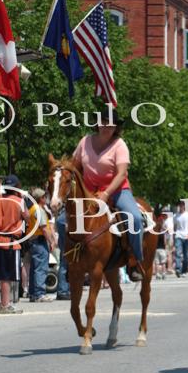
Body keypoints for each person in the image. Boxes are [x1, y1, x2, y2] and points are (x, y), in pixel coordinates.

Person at [72, 107, 145, 281]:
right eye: (104, 122)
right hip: (89, 193)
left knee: (134, 218)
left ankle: (134, 260)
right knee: (62, 221)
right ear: (97, 123)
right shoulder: (85, 141)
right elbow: (74, 167)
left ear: (116, 127)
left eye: (111, 124)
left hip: (117, 191)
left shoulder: (119, 145)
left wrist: (106, 194)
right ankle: (71, 260)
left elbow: (121, 174)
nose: (107, 126)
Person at [0, 175, 26, 314]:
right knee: (6, 276)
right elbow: (27, 217)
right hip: (11, 242)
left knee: (2, 275)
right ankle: (5, 305)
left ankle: (5, 303)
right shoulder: (19, 201)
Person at [27, 188, 57, 302]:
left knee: (34, 268)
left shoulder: (33, 209)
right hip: (39, 241)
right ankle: (39, 294)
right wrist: (51, 241)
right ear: (41, 198)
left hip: (34, 241)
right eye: (45, 197)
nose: (46, 198)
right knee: (41, 268)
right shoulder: (38, 210)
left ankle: (33, 294)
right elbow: (44, 229)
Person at [174, 201, 188, 277]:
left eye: (181, 205)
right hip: (178, 236)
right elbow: (175, 227)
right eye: (179, 205)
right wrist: (174, 235)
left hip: (186, 236)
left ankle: (184, 271)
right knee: (178, 253)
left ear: (184, 206)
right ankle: (178, 269)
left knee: (186, 256)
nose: (180, 206)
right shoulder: (176, 215)